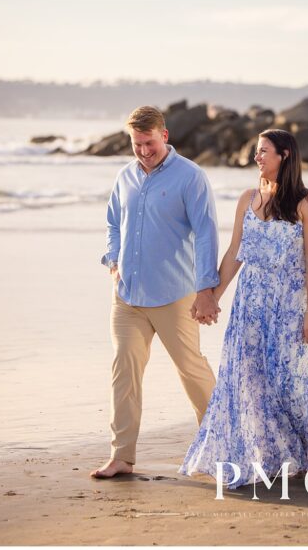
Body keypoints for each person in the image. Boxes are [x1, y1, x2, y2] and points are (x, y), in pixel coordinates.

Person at [180, 129, 308, 487]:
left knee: (293, 383)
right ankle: (269, 455)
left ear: (284, 154)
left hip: (290, 307)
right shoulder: (247, 198)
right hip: (249, 307)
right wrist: (211, 298)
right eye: (256, 151)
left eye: (263, 151)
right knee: (251, 382)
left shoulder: (307, 203)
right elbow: (236, 253)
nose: (257, 157)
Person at [91, 105, 221, 479]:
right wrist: (112, 261)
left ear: (164, 136)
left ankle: (221, 445)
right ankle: (121, 457)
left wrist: (206, 290)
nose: (143, 151)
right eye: (136, 144)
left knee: (191, 370)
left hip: (174, 294)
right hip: (127, 296)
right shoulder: (125, 177)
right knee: (124, 372)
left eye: (149, 142)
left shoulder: (190, 177)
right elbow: (113, 221)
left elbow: (207, 233)